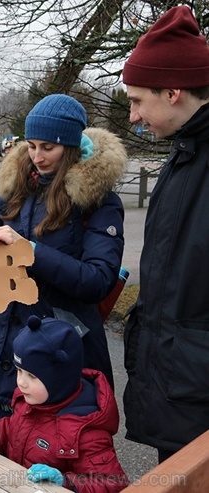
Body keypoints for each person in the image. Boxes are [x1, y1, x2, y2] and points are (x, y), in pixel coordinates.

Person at [0, 94, 126, 418]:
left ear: (70, 147)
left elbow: (97, 280)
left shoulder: (100, 201)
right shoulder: (19, 188)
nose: (37, 156)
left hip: (55, 354)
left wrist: (29, 250)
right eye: (31, 145)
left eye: (48, 147)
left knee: (43, 464)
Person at [121, 5, 209, 463]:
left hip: (196, 398)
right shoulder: (183, 156)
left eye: (137, 100)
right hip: (177, 391)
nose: (133, 115)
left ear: (173, 91)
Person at [0, 316, 128, 493]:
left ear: (59, 379)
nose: (21, 382)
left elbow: (114, 483)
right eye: (19, 371)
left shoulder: (86, 432)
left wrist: (67, 481)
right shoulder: (31, 402)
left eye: (31, 375)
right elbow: (6, 432)